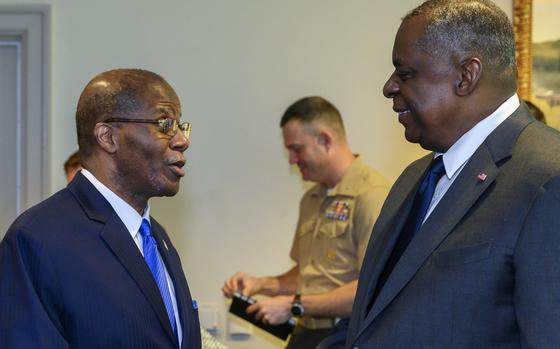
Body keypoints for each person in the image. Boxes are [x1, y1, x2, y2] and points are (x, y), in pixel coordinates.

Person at [318, 1, 560, 348]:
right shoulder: (414, 179)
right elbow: (371, 322)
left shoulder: (547, 178)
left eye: (405, 74)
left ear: (466, 76)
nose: (388, 87)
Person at [0, 69, 201, 348]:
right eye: (165, 124)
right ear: (107, 137)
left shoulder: (156, 237)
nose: (182, 140)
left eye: (181, 126)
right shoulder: (37, 240)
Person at [222, 96, 390, 349]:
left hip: (349, 334)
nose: (291, 159)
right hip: (307, 333)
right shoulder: (311, 198)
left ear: (325, 140)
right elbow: (308, 273)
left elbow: (373, 288)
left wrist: (293, 305)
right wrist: (260, 284)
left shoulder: (373, 195)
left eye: (296, 149)